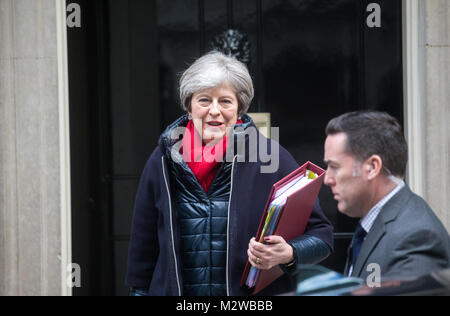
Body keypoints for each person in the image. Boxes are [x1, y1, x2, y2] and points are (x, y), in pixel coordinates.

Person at [126, 51, 333, 296]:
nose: (214, 110)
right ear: (189, 107)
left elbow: (322, 236)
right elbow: (143, 248)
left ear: (239, 109)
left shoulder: (271, 157)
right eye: (204, 100)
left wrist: (289, 253)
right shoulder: (162, 159)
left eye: (225, 101)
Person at [323, 111, 450, 282]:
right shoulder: (372, 224)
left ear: (372, 167)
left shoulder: (417, 238)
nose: (327, 179)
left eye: (334, 166)